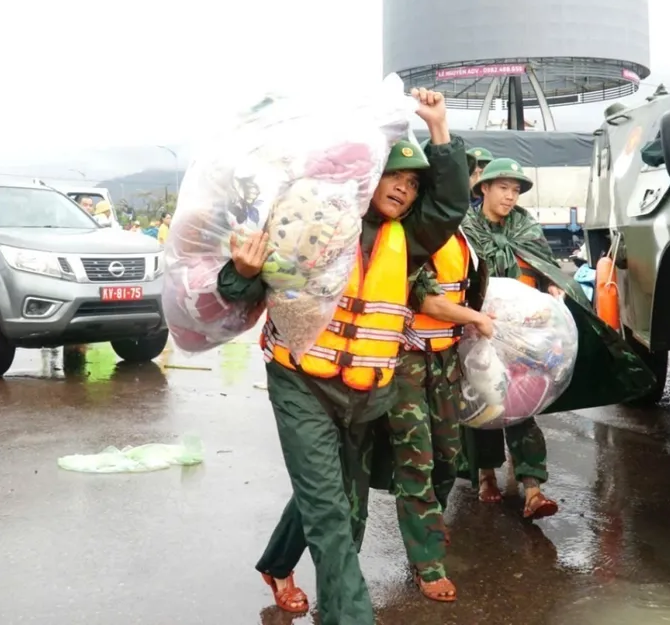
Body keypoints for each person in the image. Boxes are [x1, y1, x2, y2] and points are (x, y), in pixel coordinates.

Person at [216, 88, 469, 625]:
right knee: (334, 515)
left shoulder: (412, 240)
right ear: (367, 176)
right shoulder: (316, 221)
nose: (403, 188)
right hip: (301, 382)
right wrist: (240, 270)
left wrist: (439, 129)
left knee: (334, 498)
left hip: (368, 394)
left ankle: (277, 564)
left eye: (412, 184)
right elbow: (238, 293)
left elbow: (449, 204)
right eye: (394, 177)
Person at [383, 232, 494, 602]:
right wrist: (477, 317)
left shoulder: (465, 235)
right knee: (416, 460)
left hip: (446, 360)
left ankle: (430, 522)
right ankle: (427, 562)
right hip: (406, 362)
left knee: (449, 456)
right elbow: (429, 301)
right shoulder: (412, 232)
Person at [458, 157, 563, 520]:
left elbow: (544, 266)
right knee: (484, 402)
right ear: (483, 188)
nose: (510, 196)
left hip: (524, 331)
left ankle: (533, 486)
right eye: (503, 187)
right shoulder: (466, 228)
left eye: (515, 190)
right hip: (476, 327)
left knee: (523, 402)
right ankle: (485, 474)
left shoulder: (525, 227)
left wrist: (553, 288)